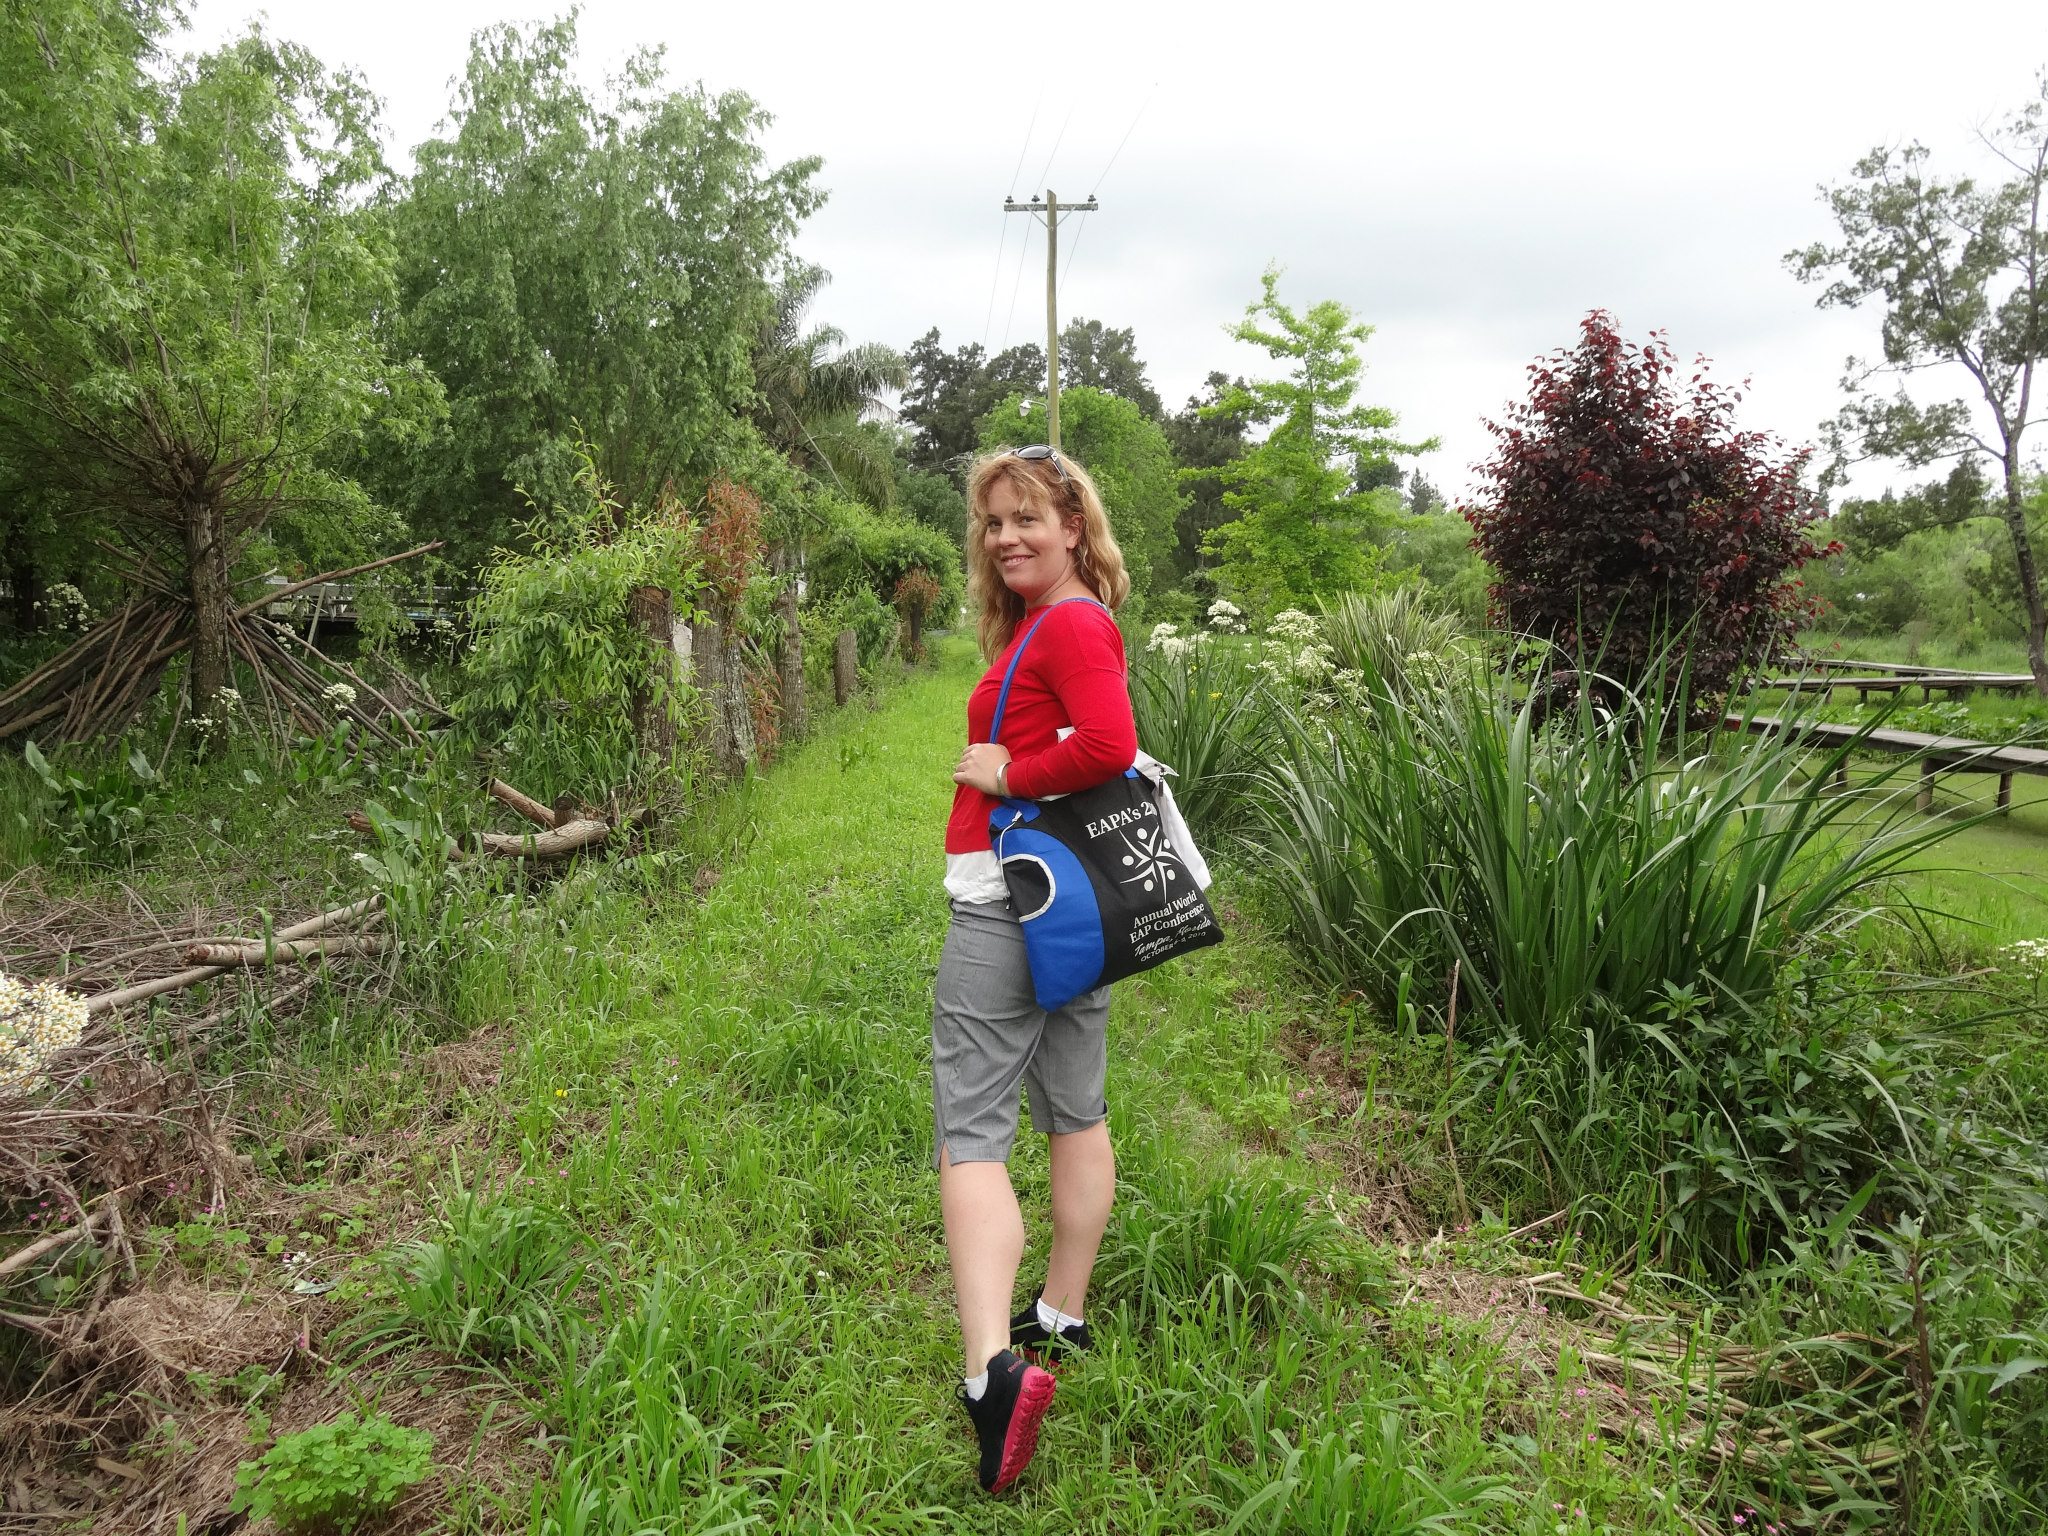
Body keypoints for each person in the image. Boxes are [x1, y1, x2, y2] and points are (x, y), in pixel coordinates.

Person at [938, 444, 1135, 1494]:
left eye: (1027, 518)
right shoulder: (1058, 623)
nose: (1007, 536)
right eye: (993, 523)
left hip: (1008, 902)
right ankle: (1059, 1311)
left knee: (971, 1129)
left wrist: (1009, 769)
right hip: (1070, 904)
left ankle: (989, 1376)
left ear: (1071, 525)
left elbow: (1107, 741)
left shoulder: (1069, 623)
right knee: (1073, 1105)